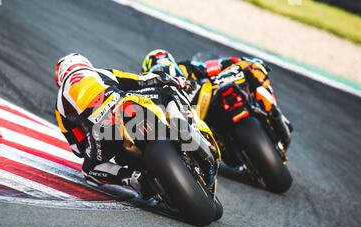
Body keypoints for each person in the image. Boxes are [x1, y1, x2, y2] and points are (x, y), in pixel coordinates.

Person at [54, 53, 189, 198]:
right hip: (124, 105)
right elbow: (141, 80)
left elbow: (78, 149)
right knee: (168, 91)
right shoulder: (99, 72)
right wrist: (173, 80)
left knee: (90, 171)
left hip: (102, 130)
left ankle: (133, 177)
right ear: (84, 63)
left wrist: (92, 139)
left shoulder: (59, 106)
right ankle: (183, 127)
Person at [141, 49, 293, 149]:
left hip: (204, 108)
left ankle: (272, 110)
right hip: (197, 119)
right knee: (252, 68)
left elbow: (216, 65)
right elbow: (218, 65)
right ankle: (273, 112)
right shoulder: (186, 68)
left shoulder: (187, 68)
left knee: (252, 70)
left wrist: (236, 63)